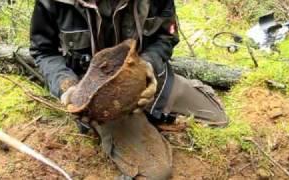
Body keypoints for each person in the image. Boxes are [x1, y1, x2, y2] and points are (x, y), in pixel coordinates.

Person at [30, 0, 229, 179]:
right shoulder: (53, 3)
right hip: (98, 98)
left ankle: (155, 111)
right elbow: (43, 51)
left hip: (144, 76)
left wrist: (148, 66)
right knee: (156, 173)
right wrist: (67, 85)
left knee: (218, 117)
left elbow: (165, 37)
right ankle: (122, 127)